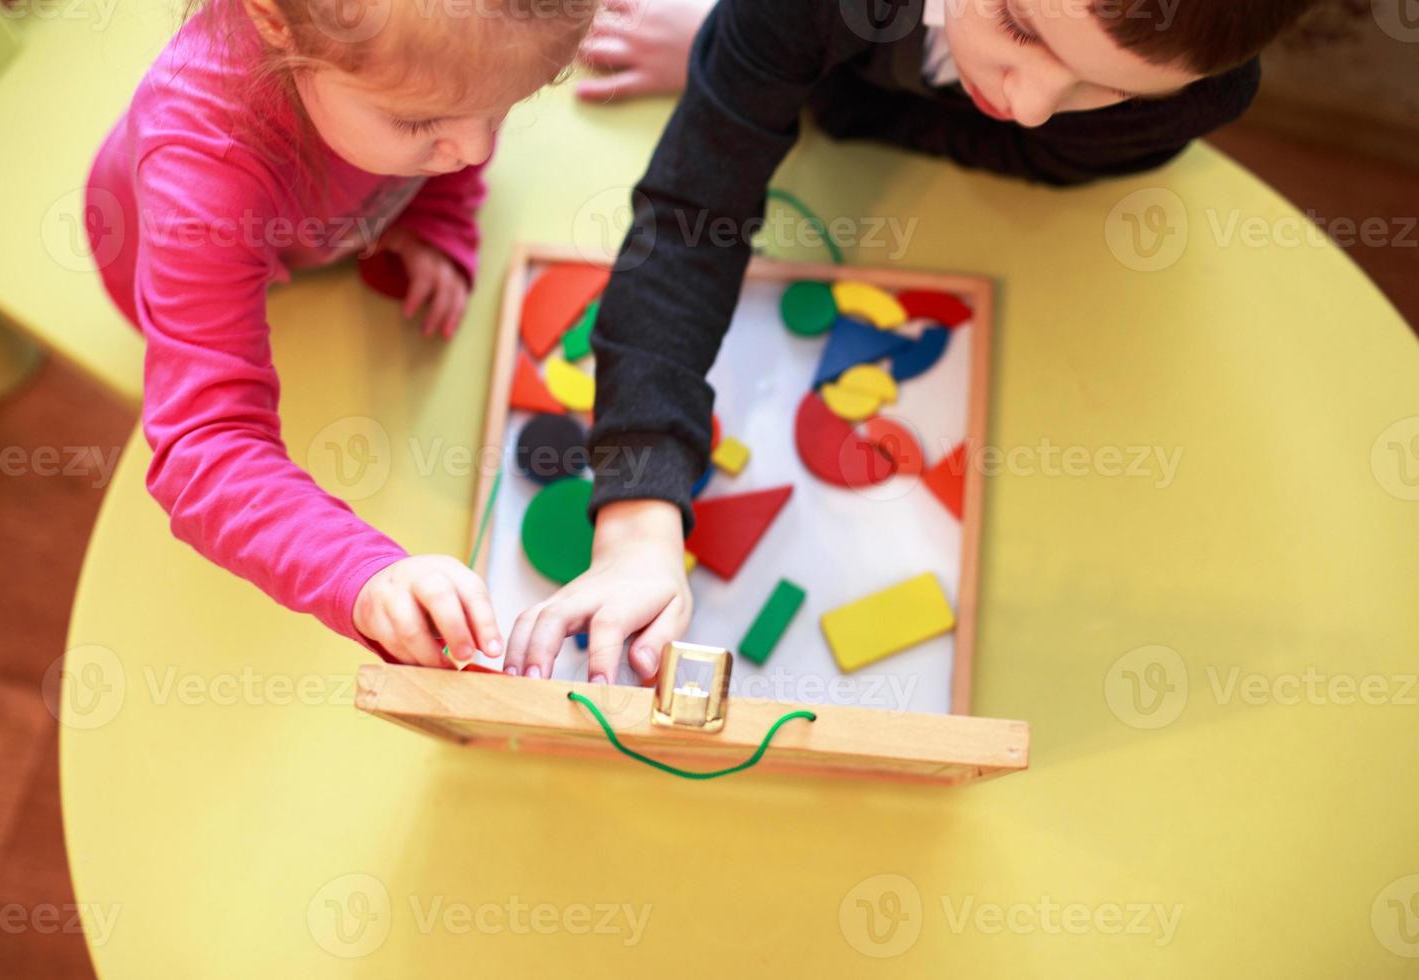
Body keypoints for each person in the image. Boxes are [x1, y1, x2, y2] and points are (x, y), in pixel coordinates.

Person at [504, 0, 1320, 682]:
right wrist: (639, 517)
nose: (1034, 100)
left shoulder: (1194, 95)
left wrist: (781, 85)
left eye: (1107, 86)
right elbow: (689, 223)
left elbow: (1034, 151)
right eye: (1021, 28)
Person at [86, 0, 595, 667]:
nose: (478, 150)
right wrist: (363, 577)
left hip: (316, 239)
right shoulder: (205, 169)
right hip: (174, 264)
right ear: (272, 19)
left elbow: (459, 119)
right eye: (419, 120)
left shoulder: (415, 69)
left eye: (504, 108)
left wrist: (441, 212)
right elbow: (203, 450)